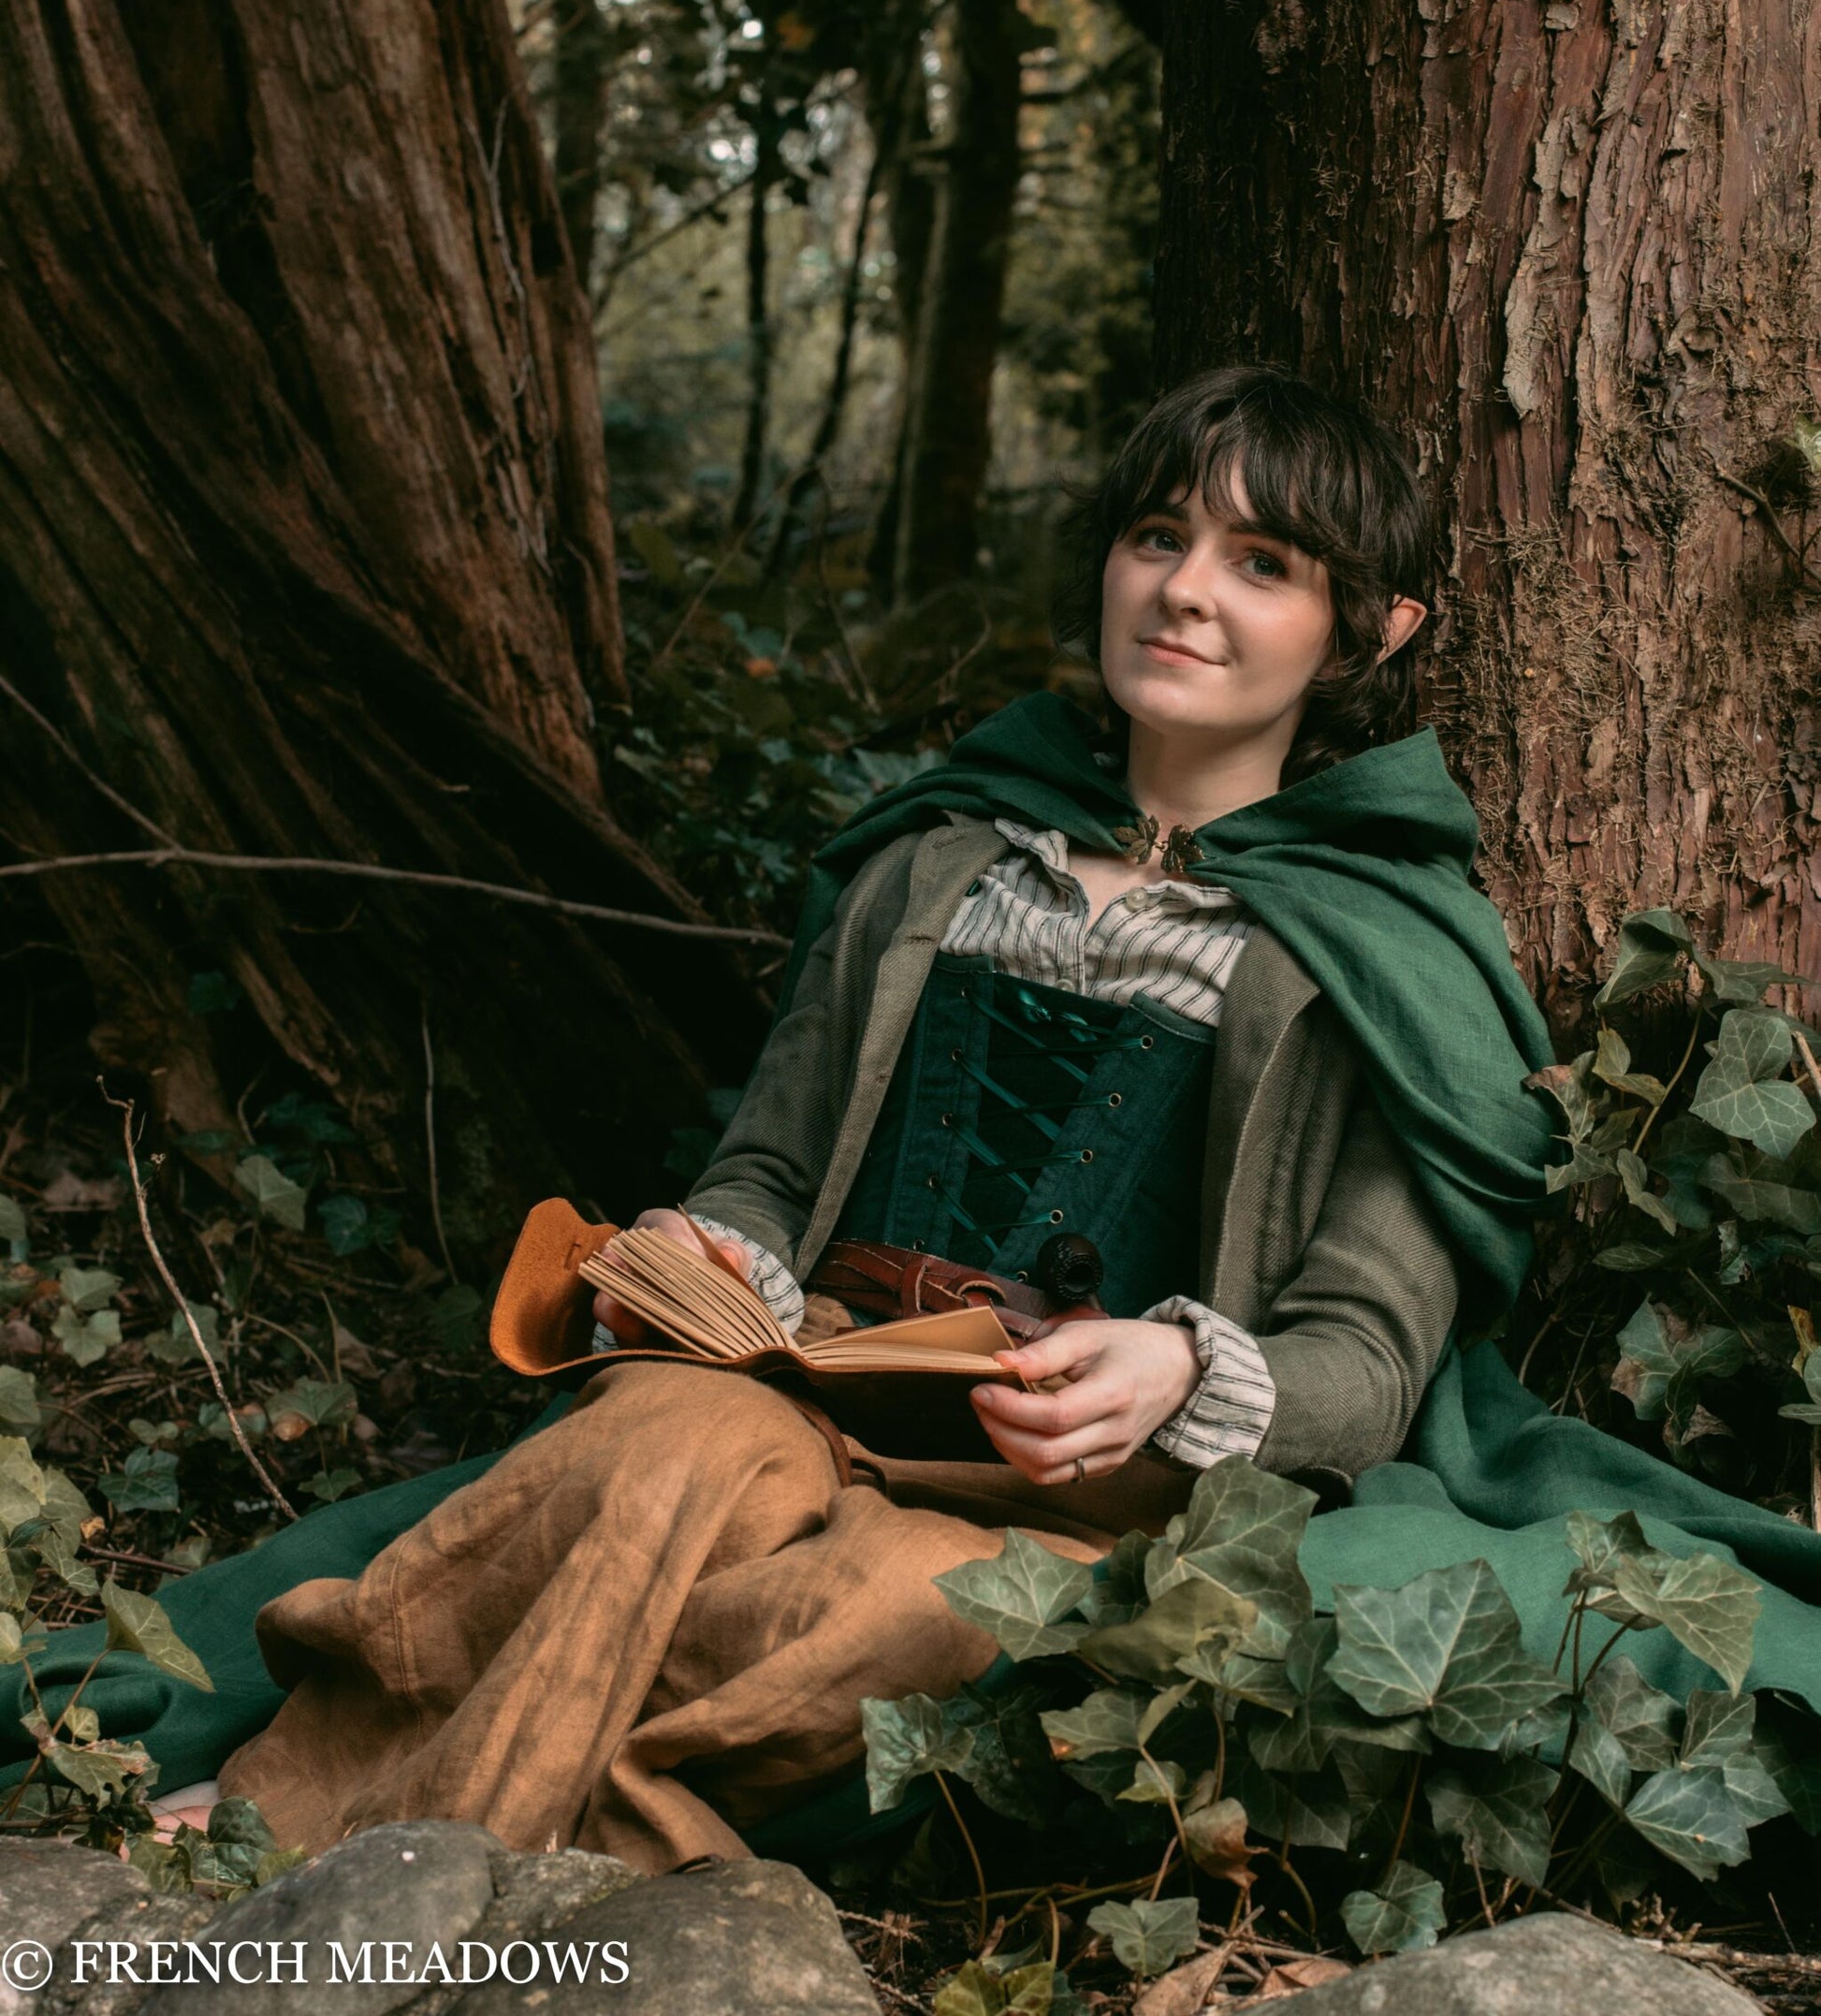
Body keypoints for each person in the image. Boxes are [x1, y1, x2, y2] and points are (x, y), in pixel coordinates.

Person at [55, 367, 1821, 1856]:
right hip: (794, 1373)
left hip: (1051, 1489)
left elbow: (1365, 1353)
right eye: (1156, 537)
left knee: (852, 1629)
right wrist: (706, 1249)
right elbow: (767, 1156)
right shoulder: (941, 861)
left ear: (1371, 629)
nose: (1184, 590)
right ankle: (356, 1855)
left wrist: (1175, 1371)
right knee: (641, 1451)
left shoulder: (1381, 956)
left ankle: (349, 1832)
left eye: (1261, 560)